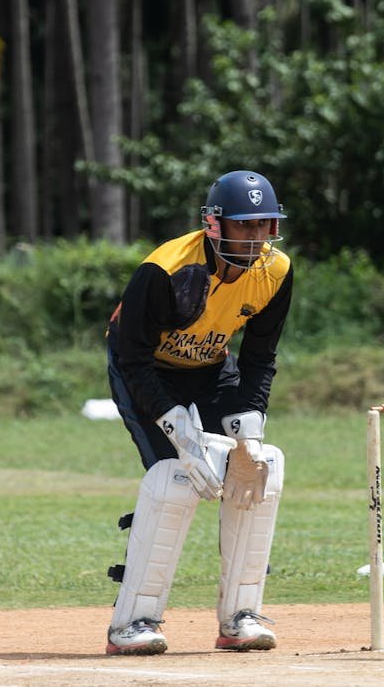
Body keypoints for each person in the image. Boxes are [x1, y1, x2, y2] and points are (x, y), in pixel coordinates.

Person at [104, 169, 293, 656]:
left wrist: (249, 425)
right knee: (175, 478)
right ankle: (134, 621)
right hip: (145, 370)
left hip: (212, 368)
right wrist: (177, 430)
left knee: (260, 468)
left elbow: (259, 358)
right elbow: (132, 357)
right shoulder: (165, 269)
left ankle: (240, 617)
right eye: (244, 226)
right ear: (214, 225)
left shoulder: (276, 271)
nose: (255, 239)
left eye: (264, 226)